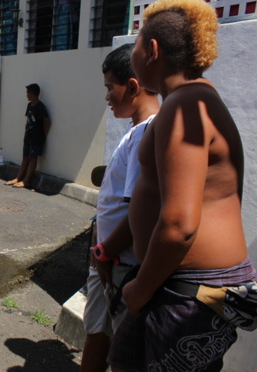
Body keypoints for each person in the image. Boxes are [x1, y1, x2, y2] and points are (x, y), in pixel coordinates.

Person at [106, 1, 256, 371]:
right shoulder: (191, 101)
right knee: (125, 360)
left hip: (189, 288)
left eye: (139, 42)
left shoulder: (185, 106)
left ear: (152, 50)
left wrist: (140, 289)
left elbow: (178, 224)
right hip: (170, 280)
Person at [80, 43, 159, 372]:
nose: (107, 97)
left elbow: (138, 212)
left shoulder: (145, 134)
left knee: (111, 342)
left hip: (120, 262)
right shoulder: (135, 132)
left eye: (109, 87)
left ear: (132, 86)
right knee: (99, 332)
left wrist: (105, 252)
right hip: (112, 260)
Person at [5, 83, 51, 189]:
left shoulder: (40, 106)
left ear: (32, 94)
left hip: (36, 137)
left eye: (27, 93)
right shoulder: (29, 105)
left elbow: (47, 121)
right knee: (25, 157)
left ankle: (27, 180)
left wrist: (44, 134)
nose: (26, 95)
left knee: (32, 158)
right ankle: (18, 177)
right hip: (28, 136)